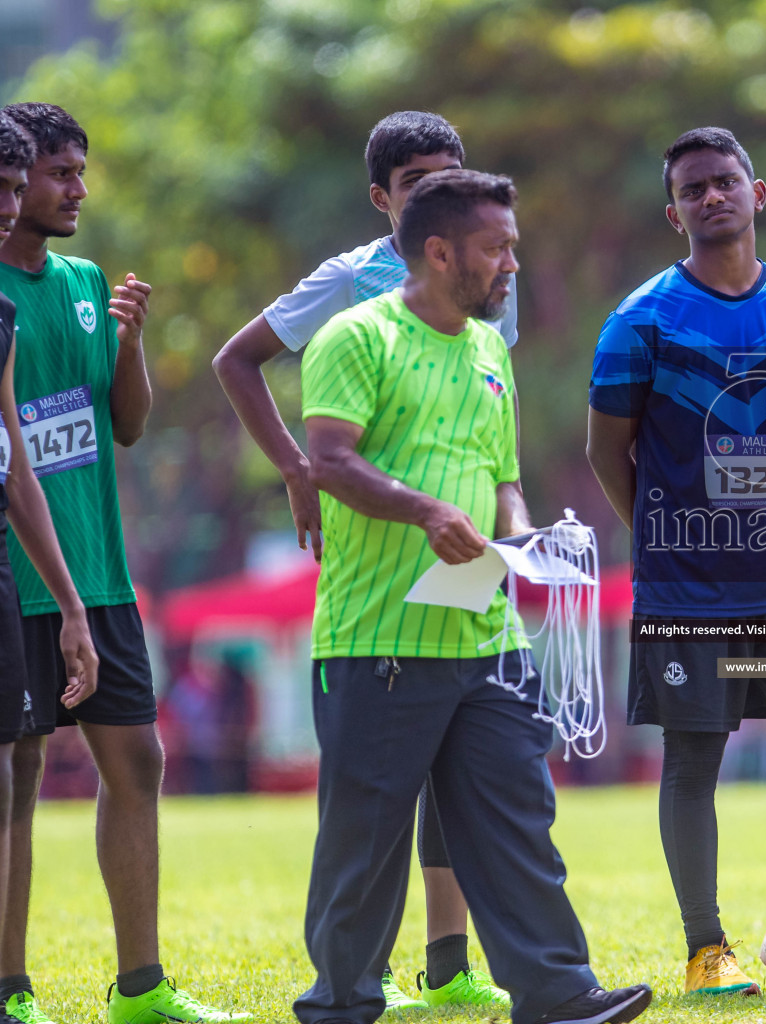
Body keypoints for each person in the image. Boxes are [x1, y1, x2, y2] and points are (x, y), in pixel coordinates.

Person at [297, 168, 649, 1024]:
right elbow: (329, 461)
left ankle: (559, 995)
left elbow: (505, 481)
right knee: (366, 845)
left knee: (516, 821)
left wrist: (521, 536)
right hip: (376, 641)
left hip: (487, 639)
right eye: (497, 249)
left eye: (514, 248)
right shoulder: (356, 336)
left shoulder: (491, 349)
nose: (511, 265)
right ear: (439, 250)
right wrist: (425, 512)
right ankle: (342, 1004)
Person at [213, 110, 511, 1011]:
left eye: (449, 171)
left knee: (465, 770)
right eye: (416, 180)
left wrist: (509, 509)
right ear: (383, 198)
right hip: (380, 556)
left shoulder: (493, 264)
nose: (436, 191)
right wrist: (298, 468)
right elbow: (239, 360)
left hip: (468, 543)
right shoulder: (351, 282)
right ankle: (351, 980)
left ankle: (450, 965)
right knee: (380, 781)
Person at [587, 127, 766, 996]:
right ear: (674, 212)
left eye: (725, 181)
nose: (712, 196)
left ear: (757, 192)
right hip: (688, 594)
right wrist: (666, 542)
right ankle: (708, 948)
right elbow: (607, 453)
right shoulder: (640, 320)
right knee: (694, 754)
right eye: (694, 188)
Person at [0, 101, 245, 1024]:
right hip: (17, 578)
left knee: (137, 760)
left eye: (77, 171)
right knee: (17, 774)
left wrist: (130, 338)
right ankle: (12, 989)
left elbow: (128, 425)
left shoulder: (82, 280)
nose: (76, 190)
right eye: (59, 173)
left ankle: (140, 986)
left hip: (97, 573)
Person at [0, 110, 100, 1024]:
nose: (74, 188)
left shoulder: (25, 305)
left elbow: (16, 468)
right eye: (52, 173)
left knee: (16, 776)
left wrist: (70, 600)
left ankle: (10, 987)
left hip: (51, 575)